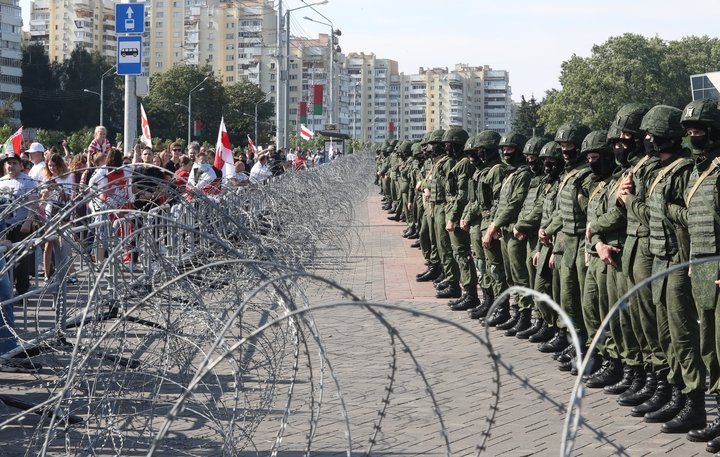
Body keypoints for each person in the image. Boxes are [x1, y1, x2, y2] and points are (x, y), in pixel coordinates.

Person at [0, 153, 39, 296]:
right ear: (5, 166)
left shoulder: (28, 181)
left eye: (14, 163)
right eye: (8, 163)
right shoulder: (2, 182)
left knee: (21, 260)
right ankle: (7, 290)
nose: (11, 166)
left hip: (21, 224)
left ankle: (22, 290)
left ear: (20, 165)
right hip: (4, 226)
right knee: (5, 259)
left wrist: (28, 222)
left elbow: (33, 203)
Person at [39, 153, 75, 280]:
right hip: (51, 211)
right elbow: (43, 197)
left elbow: (70, 196)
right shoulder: (47, 179)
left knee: (64, 243)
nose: (52, 168)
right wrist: (47, 190)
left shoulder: (68, 177)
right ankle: (47, 273)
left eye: (55, 165)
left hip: (64, 210)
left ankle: (67, 272)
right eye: (50, 165)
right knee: (48, 242)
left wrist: (58, 189)